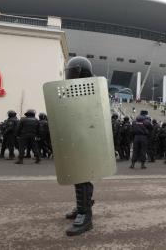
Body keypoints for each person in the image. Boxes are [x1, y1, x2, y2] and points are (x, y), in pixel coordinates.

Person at [64, 56, 95, 236]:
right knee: (80, 175)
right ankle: (81, 207)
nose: (70, 75)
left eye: (73, 72)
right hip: (77, 137)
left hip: (87, 138)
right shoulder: (76, 90)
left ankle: (85, 215)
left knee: (82, 175)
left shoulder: (91, 90)